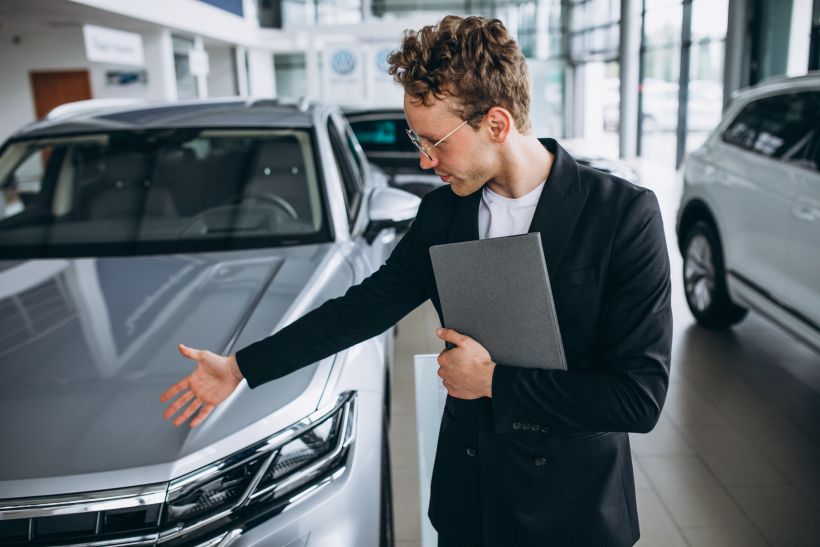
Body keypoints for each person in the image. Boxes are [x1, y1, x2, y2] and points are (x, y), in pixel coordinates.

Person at [161, 15, 672, 547]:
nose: (424, 160)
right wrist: (241, 367)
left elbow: (638, 398)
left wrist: (494, 381)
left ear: (496, 124)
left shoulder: (621, 215)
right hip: (470, 499)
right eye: (417, 138)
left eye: (436, 141)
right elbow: (361, 309)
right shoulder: (443, 214)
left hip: (572, 510)